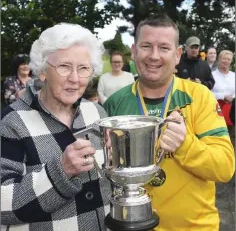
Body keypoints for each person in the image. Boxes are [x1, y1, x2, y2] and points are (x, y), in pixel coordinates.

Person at [103, 15, 235, 231]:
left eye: (164, 48)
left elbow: (224, 168)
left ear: (177, 55)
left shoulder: (199, 96)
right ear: (134, 51)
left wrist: (186, 145)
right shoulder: (115, 104)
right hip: (132, 226)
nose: (154, 56)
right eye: (146, 46)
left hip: (194, 227)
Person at [1, 23, 111, 231]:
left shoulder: (98, 113)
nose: (75, 79)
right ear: (43, 71)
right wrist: (61, 172)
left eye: (84, 68)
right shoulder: (10, 123)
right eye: (64, 67)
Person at [211, 50, 235, 145]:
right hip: (216, 111)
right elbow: (208, 92)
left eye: (228, 59)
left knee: (231, 139)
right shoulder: (212, 75)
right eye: (224, 58)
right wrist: (222, 96)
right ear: (219, 59)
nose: (226, 61)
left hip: (231, 112)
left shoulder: (234, 76)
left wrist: (232, 97)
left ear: (231, 61)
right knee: (217, 139)